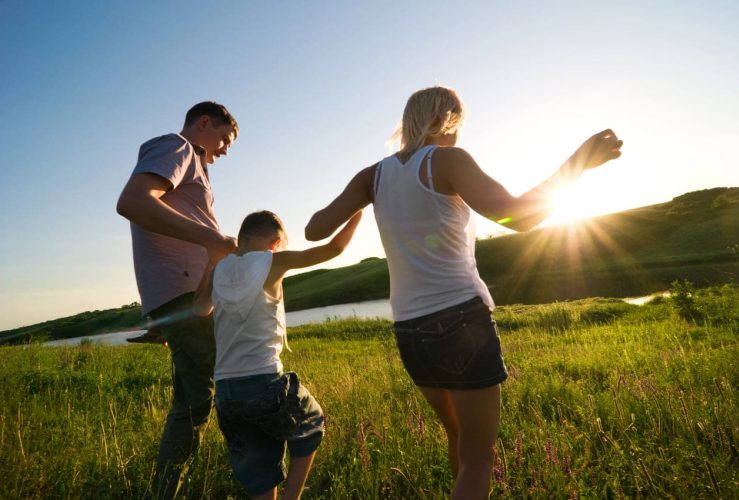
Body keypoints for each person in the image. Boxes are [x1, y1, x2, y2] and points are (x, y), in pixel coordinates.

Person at [304, 86, 623, 499]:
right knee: (478, 461)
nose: (459, 136)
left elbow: (314, 229)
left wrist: (366, 198)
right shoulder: (448, 159)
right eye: (459, 126)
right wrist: (577, 163)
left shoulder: (373, 176)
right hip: (461, 320)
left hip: (409, 330)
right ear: (447, 121)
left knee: (457, 440)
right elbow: (520, 217)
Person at [116, 101, 239, 498]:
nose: (225, 150)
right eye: (224, 138)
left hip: (187, 297)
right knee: (211, 394)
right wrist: (209, 238)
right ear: (203, 123)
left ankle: (168, 486)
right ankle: (174, 487)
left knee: (193, 398)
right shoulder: (177, 147)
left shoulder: (192, 165)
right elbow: (133, 202)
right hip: (186, 296)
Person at [193, 210, 362, 499]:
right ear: (275, 242)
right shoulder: (272, 261)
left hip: (225, 392)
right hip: (264, 383)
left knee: (261, 475)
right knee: (312, 423)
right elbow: (334, 248)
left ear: (242, 238)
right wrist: (357, 211)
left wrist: (212, 261)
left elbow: (199, 308)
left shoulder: (220, 268)